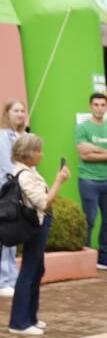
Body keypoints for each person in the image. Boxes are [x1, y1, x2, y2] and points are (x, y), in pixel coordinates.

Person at [5, 134, 69, 337]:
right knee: (29, 271)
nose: (41, 154)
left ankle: (30, 317)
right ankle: (19, 322)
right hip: (34, 225)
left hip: (40, 223)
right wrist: (58, 181)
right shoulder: (25, 175)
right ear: (29, 153)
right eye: (38, 150)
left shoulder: (28, 171)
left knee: (36, 269)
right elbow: (43, 202)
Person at [75, 92, 107, 273]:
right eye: (96, 105)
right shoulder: (82, 128)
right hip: (88, 180)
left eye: (103, 105)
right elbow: (83, 154)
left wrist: (95, 150)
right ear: (90, 106)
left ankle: (103, 256)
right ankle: (85, 255)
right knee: (89, 220)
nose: (99, 108)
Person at [0, 98, 30, 298]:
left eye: (22, 111)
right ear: (7, 113)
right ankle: (3, 281)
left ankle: (11, 277)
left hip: (20, 192)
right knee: (4, 236)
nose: (19, 114)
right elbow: (6, 166)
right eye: (15, 111)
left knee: (13, 236)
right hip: (6, 192)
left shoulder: (25, 136)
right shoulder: (2, 136)